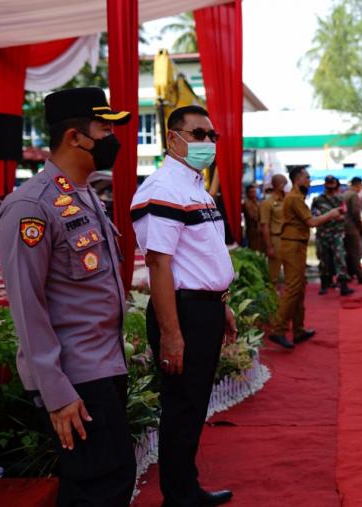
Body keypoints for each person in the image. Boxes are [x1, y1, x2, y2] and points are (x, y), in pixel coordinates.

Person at [0, 87, 136, 506]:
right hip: (75, 377)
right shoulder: (31, 206)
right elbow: (26, 305)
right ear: (75, 137)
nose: (113, 136)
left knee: (98, 483)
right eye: (104, 127)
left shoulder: (85, 195)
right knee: (103, 484)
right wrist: (56, 393)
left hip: (105, 365)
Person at [130, 105, 236, 506]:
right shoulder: (162, 189)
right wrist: (172, 334)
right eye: (197, 134)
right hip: (182, 313)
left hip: (202, 309)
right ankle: (178, 495)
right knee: (181, 407)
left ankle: (186, 485)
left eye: (212, 135)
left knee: (193, 405)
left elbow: (201, 258)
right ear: (172, 139)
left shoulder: (194, 187)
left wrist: (220, 303)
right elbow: (159, 264)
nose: (207, 143)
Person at [268, 167, 344, 349]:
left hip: (296, 245)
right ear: (298, 180)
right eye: (307, 178)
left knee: (299, 287)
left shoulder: (295, 197)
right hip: (293, 245)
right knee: (294, 288)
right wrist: (332, 214)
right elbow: (312, 222)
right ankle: (278, 330)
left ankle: (298, 329)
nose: (310, 181)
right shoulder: (294, 198)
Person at [311, 175, 353, 296]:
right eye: (328, 183)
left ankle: (343, 284)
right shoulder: (317, 199)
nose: (330, 186)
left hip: (336, 233)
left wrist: (339, 218)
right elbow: (313, 215)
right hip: (323, 233)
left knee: (340, 257)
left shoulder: (340, 199)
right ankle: (325, 283)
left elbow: (345, 215)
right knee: (323, 258)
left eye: (332, 183)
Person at [343, 177, 362, 284]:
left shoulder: (344, 194)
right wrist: (360, 227)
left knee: (348, 252)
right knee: (356, 252)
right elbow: (356, 213)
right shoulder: (353, 195)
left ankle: (349, 273)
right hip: (352, 227)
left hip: (344, 227)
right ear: (358, 185)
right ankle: (360, 275)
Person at [260, 174, 287, 283]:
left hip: (289, 238)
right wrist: (269, 247)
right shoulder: (267, 203)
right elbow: (264, 226)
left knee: (291, 272)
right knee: (273, 273)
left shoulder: (287, 200)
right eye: (284, 184)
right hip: (276, 239)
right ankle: (272, 296)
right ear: (279, 185)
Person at [243, 183, 262, 251]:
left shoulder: (257, 202)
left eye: (254, 192)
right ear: (247, 193)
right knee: (254, 248)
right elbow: (253, 216)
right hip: (252, 231)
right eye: (251, 192)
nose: (253, 194)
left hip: (259, 231)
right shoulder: (246, 203)